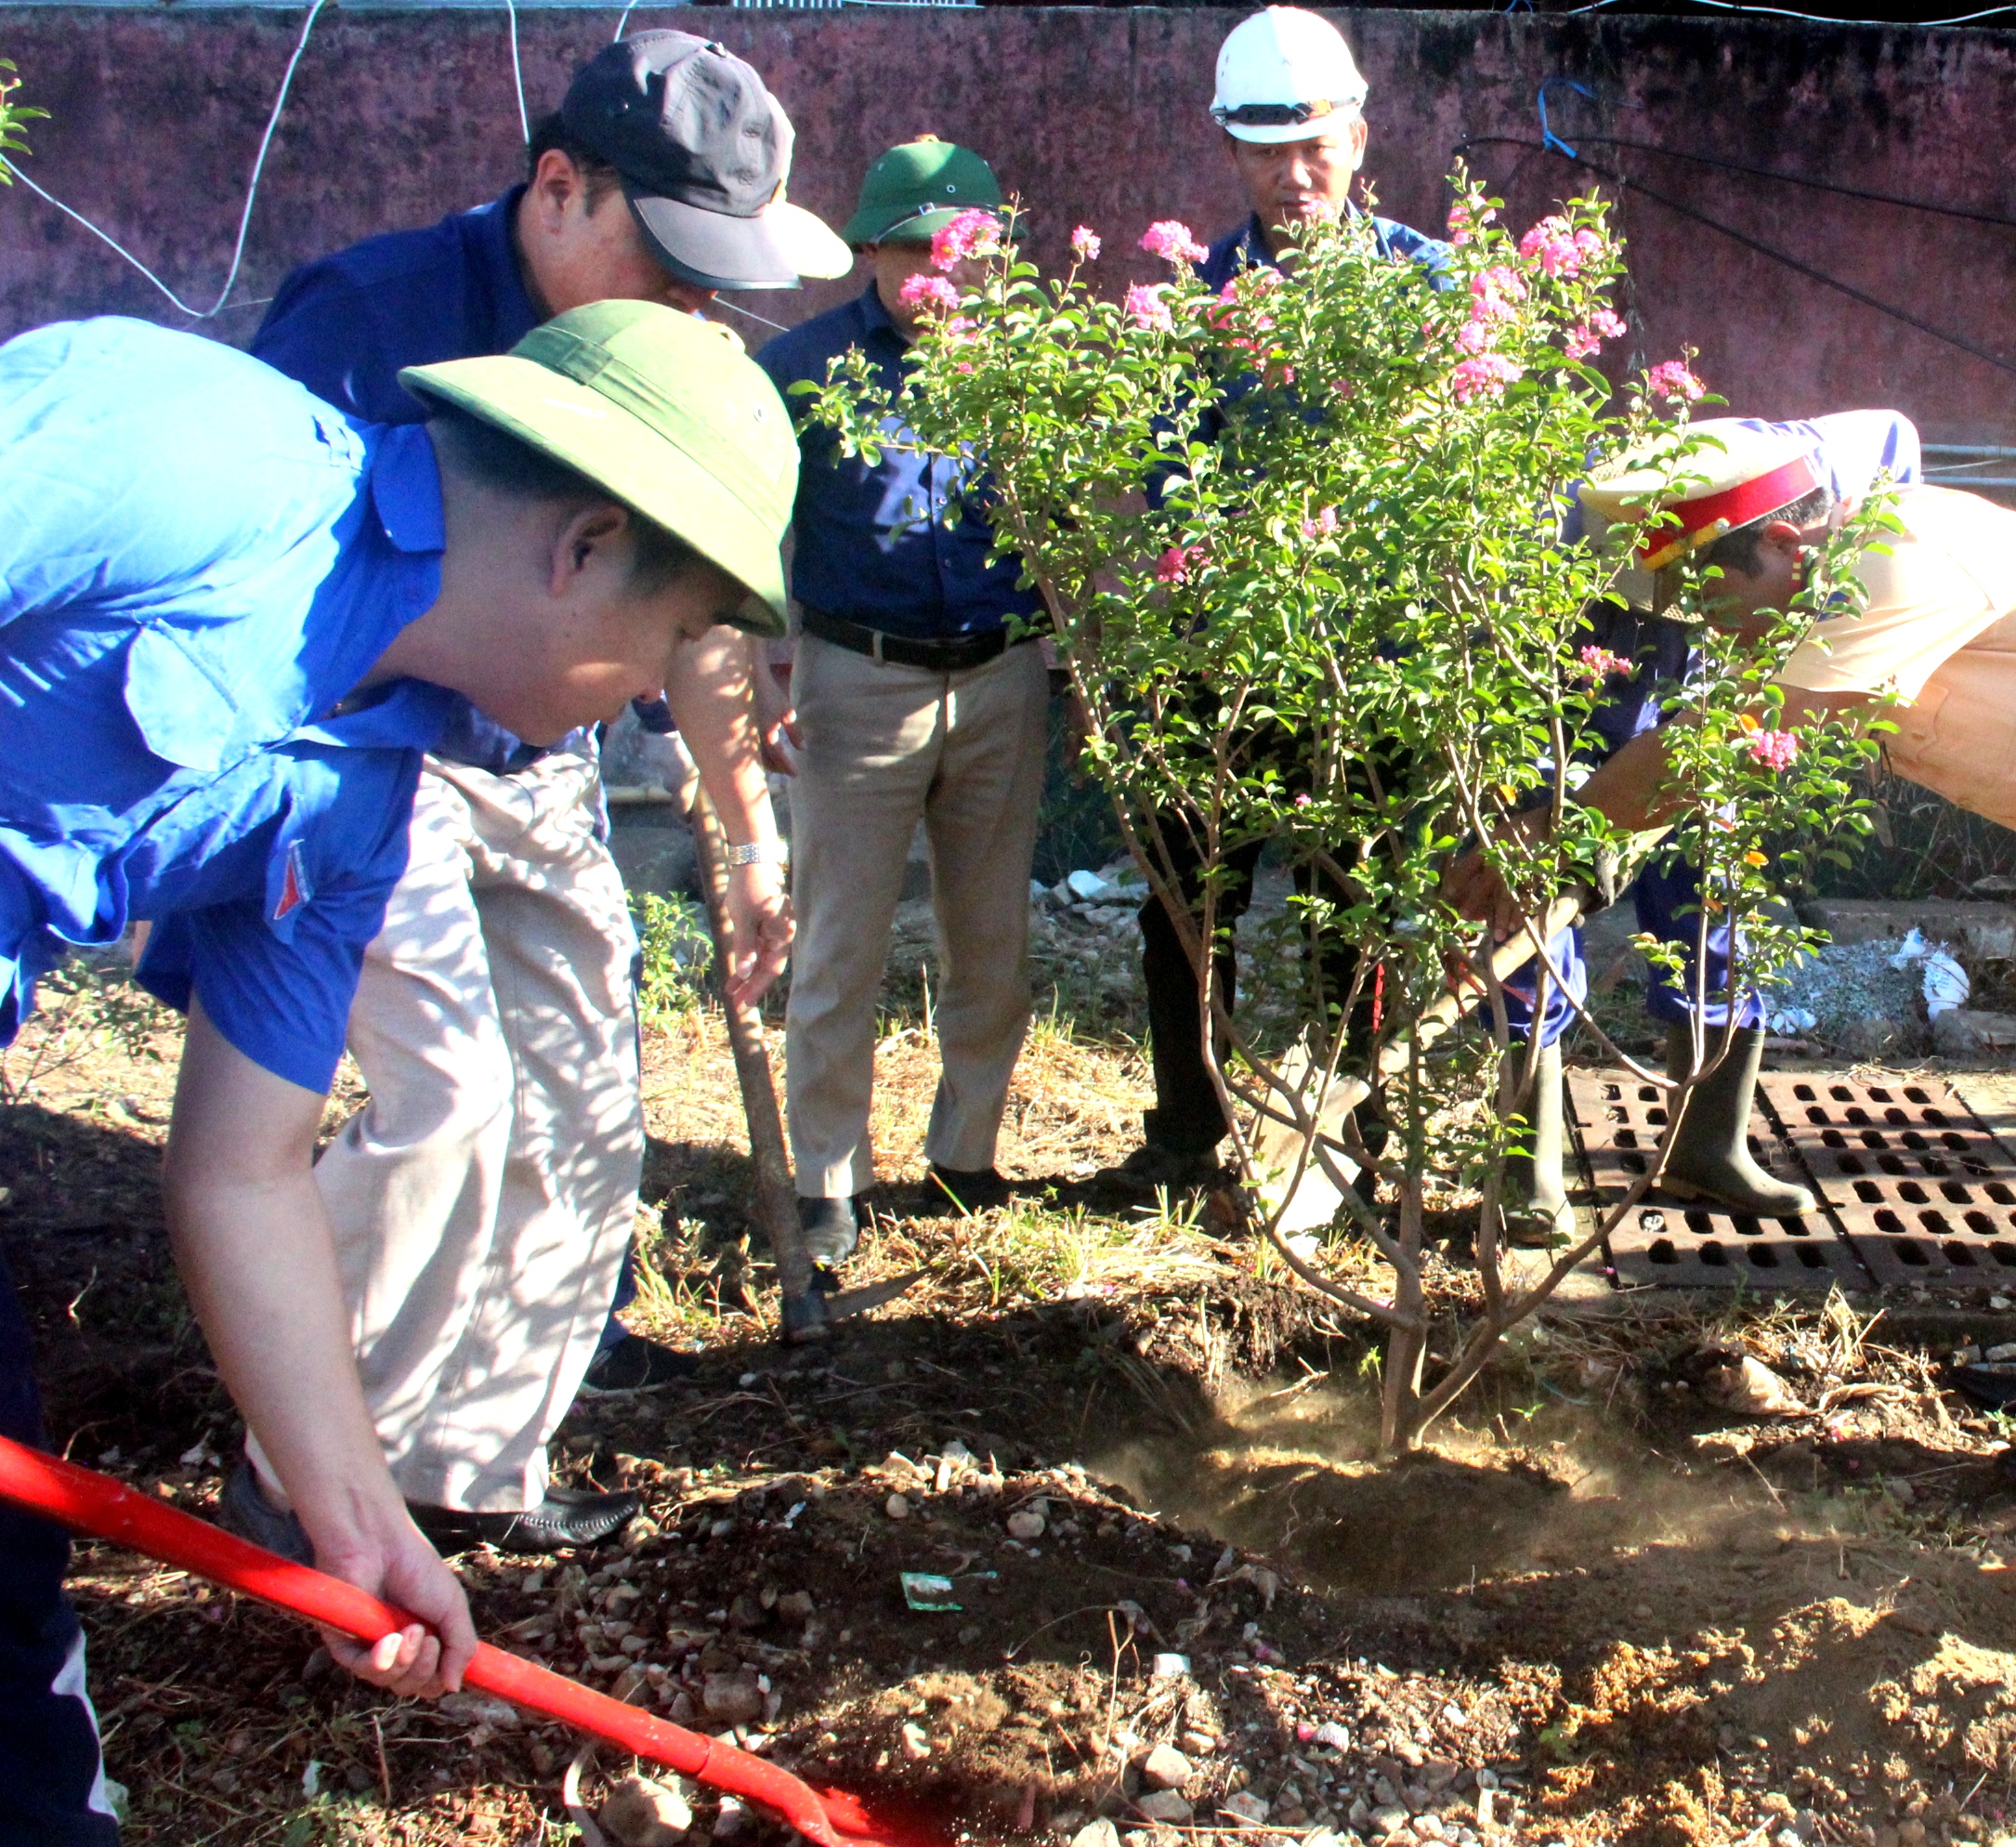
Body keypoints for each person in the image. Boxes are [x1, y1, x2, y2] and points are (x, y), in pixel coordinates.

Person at [0, 300, 795, 1843]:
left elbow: (244, 1166)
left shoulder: (356, 801)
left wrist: (351, 1516)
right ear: (581, 547)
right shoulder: (181, 453)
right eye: (674, 639)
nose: (648, 693)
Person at [1457, 425, 2016, 1494]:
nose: (1708, 624)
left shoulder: (1891, 562)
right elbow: (1715, 754)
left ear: (1790, 548)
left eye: (1712, 593)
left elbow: (1726, 732)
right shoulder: (1818, 591)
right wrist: (1592, 846)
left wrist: (1551, 833)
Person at [236, 30, 843, 1555]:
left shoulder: (673, 357)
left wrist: (749, 833)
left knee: (582, 1103)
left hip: (536, 760)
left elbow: (682, 615)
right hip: (367, 752)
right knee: (451, 1099)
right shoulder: (373, 320)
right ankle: (313, 1470)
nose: (698, 308)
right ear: (559, 188)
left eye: (720, 278)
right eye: (674, 262)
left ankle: (474, 1459)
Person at [1073, 6, 1456, 1209]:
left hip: (1372, 663)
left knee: (1364, 906)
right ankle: (1189, 1137)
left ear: (1356, 131)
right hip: (1221, 656)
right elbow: (1171, 482)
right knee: (1186, 903)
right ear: (1229, 152)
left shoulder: (1422, 284)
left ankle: (1361, 1142)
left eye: (1314, 144)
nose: (1294, 175)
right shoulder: (1200, 296)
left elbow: (1453, 471)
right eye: (1263, 149)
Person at [1488, 412, 1926, 1246]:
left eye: (1713, 597)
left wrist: (1837, 619)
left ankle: (1708, 1142)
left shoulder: (1843, 465)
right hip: (1580, 644)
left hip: (1726, 635)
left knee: (1712, 869)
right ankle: (1529, 1164)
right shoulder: (1570, 527)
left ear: (1789, 541)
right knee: (1537, 877)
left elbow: (1898, 445)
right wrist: (1571, 812)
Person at [758, 138, 1048, 1285]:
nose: (943, 270)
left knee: (992, 936)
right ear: (870, 250)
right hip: (855, 676)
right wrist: (756, 667)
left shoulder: (1037, 369)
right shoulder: (801, 367)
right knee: (841, 939)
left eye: (967, 249)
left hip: (1000, 675)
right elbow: (751, 523)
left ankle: (965, 1153)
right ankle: (829, 1174)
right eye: (919, 248)